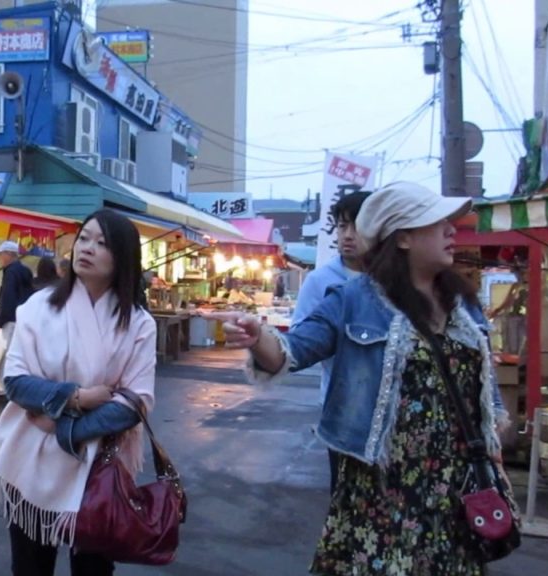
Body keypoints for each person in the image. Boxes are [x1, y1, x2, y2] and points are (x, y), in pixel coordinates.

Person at [212, 182, 514, 575]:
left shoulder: (462, 306)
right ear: (403, 237)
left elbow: (483, 386)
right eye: (439, 222)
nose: (452, 230)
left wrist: (493, 436)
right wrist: (258, 336)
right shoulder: (353, 299)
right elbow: (292, 352)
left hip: (452, 488)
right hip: (379, 487)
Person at [0, 209, 157, 576]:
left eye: (102, 243)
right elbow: (17, 382)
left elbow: (134, 403)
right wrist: (77, 397)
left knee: (93, 570)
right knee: (31, 567)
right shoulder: (38, 307)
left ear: (123, 257)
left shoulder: (140, 323)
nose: (88, 248)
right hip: (31, 456)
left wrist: (65, 430)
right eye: (84, 238)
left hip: (101, 463)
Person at [291, 191, 370, 495]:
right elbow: (300, 338)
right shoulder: (320, 281)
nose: (347, 236)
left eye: (357, 226)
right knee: (346, 493)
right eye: (342, 227)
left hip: (391, 409)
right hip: (340, 406)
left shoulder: (395, 280)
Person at [0, 241, 34, 402]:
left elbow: (8, 297)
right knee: (18, 353)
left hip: (10, 319)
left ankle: (0, 388)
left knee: (4, 353)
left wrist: (0, 319)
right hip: (22, 318)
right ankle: (16, 385)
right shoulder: (25, 271)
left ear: (9, 254)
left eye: (1, 254)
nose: (0, 258)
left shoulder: (11, 273)